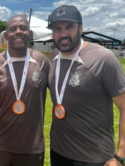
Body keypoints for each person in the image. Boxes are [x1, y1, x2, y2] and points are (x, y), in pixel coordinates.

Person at [47, 5, 125, 166]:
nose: (63, 34)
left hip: (94, 158)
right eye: (57, 28)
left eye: (69, 27)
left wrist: (120, 156)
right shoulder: (54, 56)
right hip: (58, 152)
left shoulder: (103, 58)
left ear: (80, 28)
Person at [0, 14, 49, 166]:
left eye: (23, 28)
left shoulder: (42, 62)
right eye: (13, 29)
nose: (18, 31)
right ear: (6, 35)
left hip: (31, 148)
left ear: (30, 33)